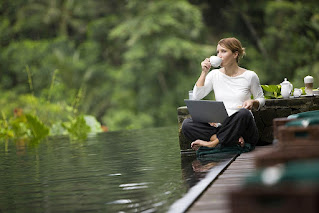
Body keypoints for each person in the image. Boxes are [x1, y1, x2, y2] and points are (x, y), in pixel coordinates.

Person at [182, 37, 265, 151]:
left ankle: (213, 143)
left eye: (223, 51)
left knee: (244, 114)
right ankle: (227, 139)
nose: (219, 55)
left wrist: (253, 102)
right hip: (223, 127)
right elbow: (196, 96)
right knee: (187, 124)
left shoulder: (250, 76)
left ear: (235, 54)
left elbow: (261, 99)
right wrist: (204, 72)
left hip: (243, 128)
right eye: (218, 52)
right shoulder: (214, 75)